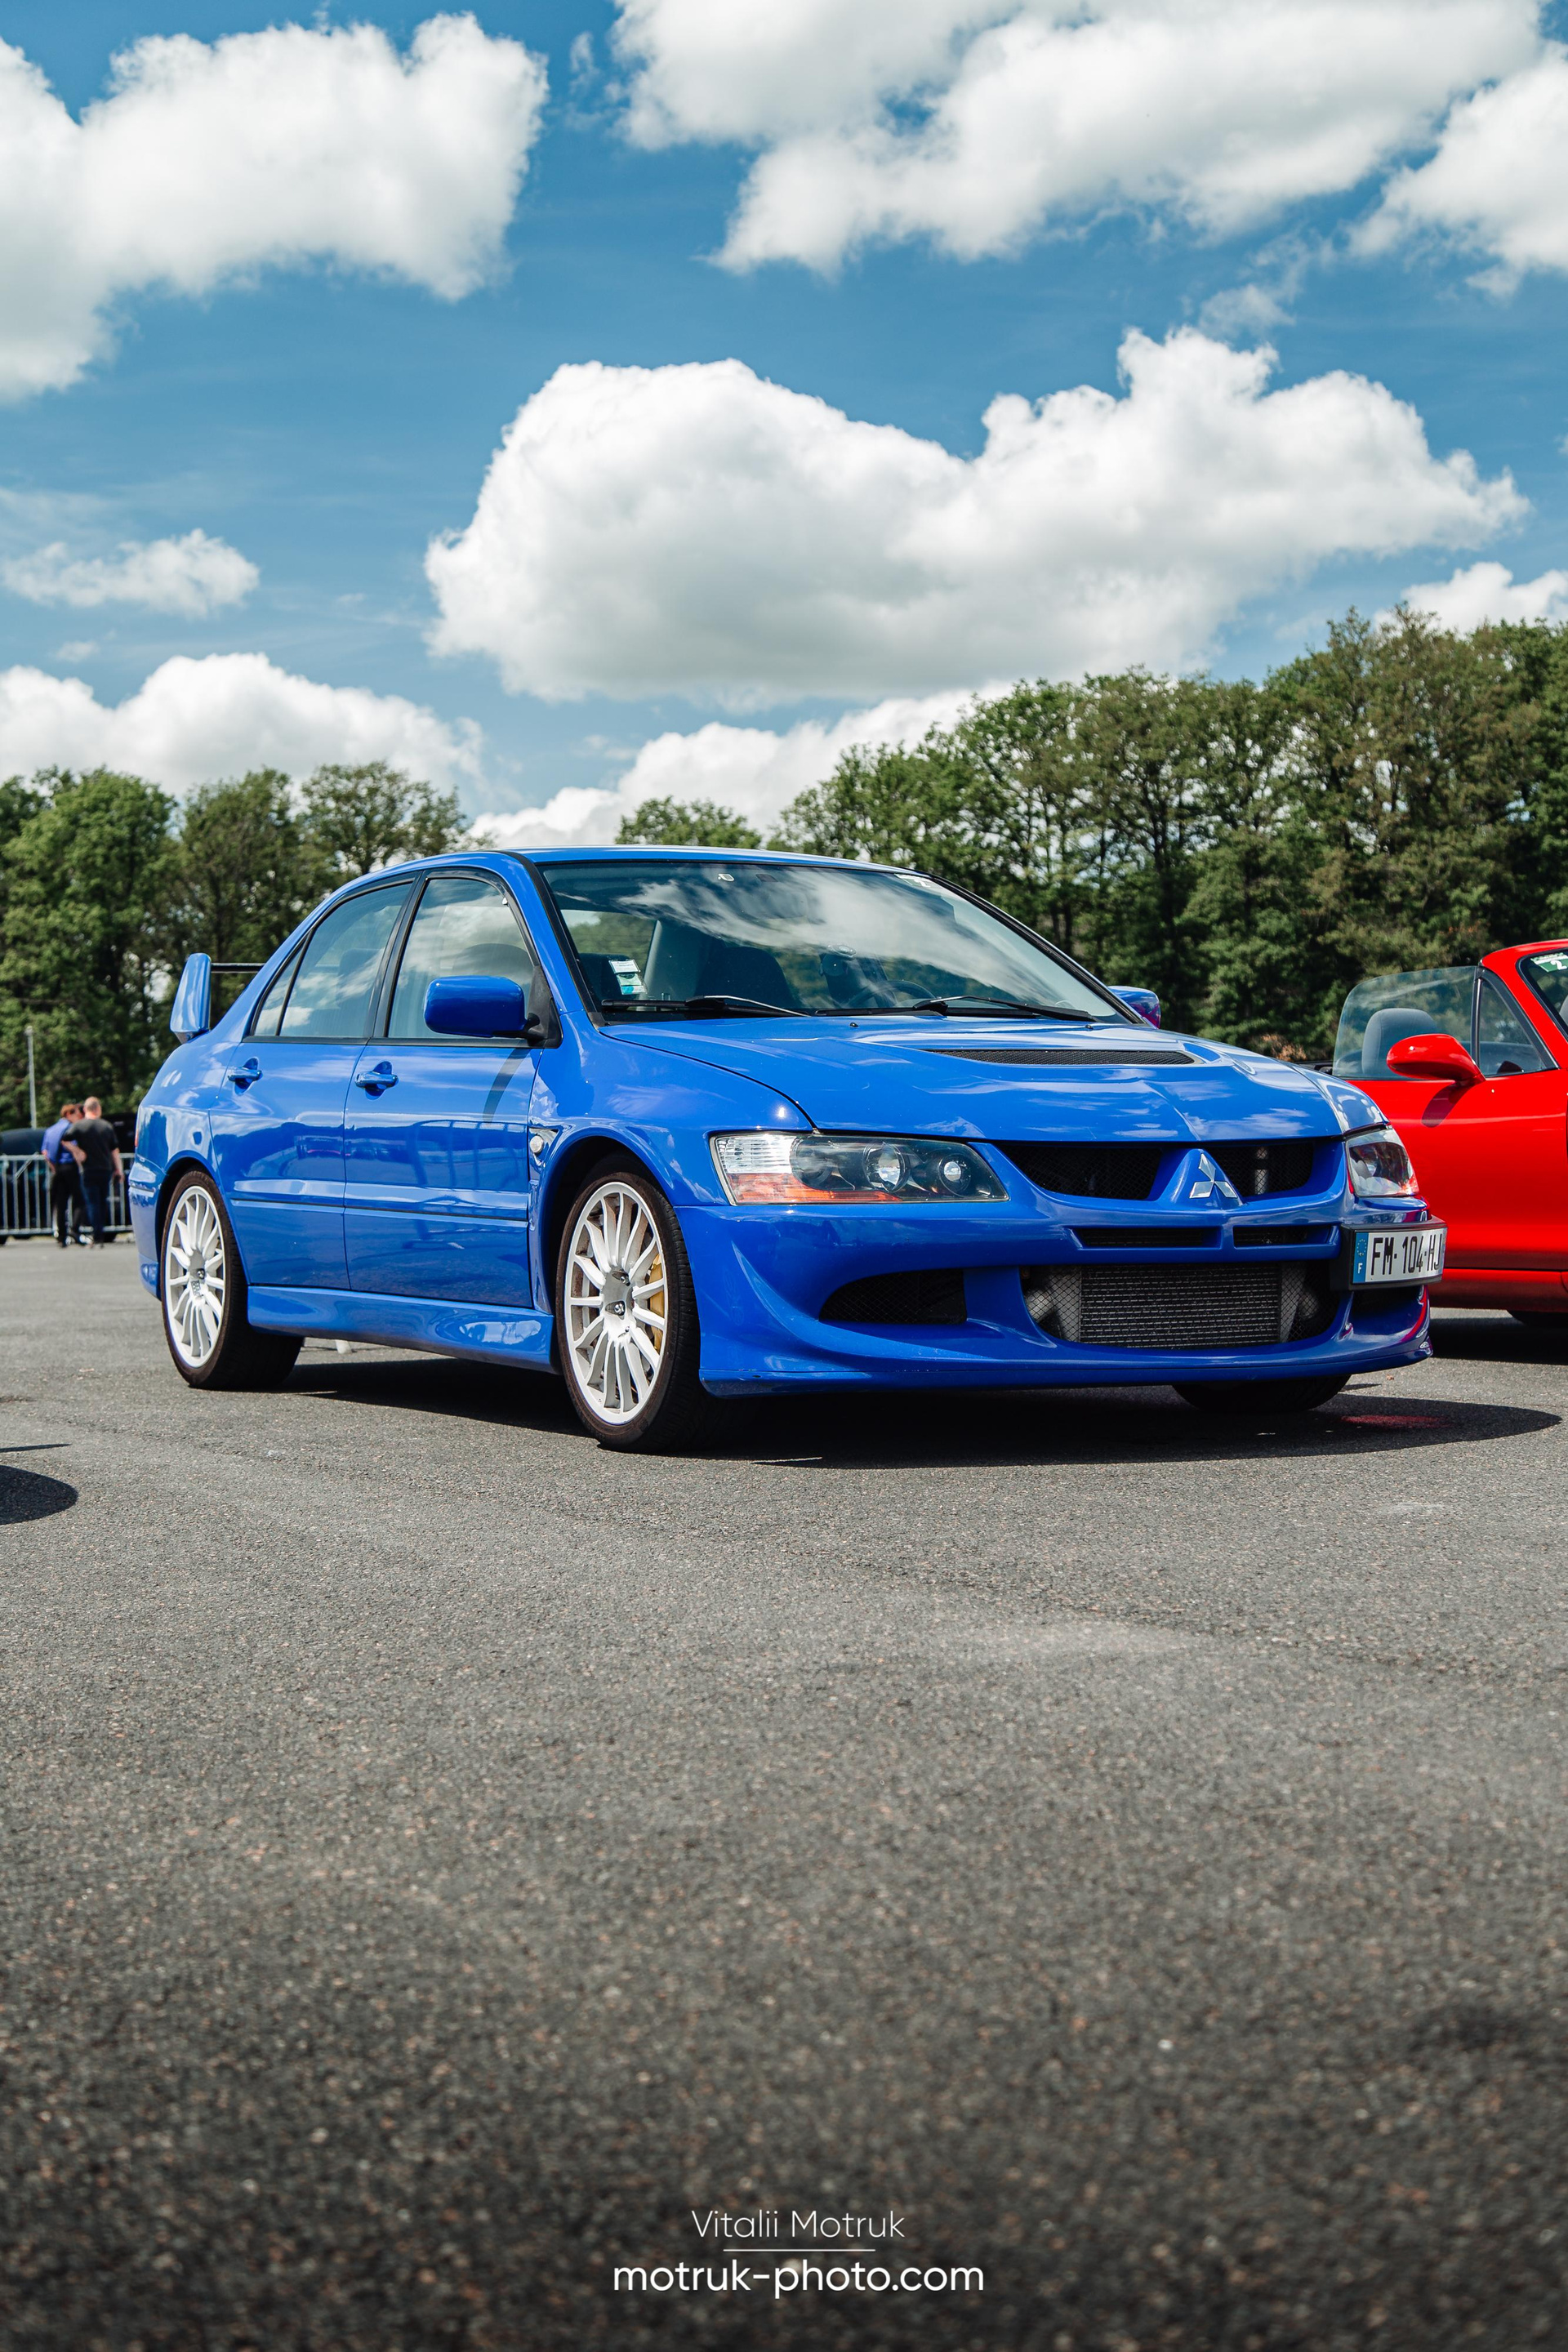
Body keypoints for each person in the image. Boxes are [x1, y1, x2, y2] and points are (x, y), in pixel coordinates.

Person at [67, 1096, 122, 1248]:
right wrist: (119, 1169)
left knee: (92, 1203)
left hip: (88, 1169)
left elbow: (65, 1139)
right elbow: (114, 1150)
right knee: (102, 1202)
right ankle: (100, 1234)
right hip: (105, 1169)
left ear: (85, 1109)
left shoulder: (79, 1126)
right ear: (98, 1109)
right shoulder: (107, 1126)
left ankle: (96, 1235)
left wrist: (77, 1151)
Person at [40, 1100, 85, 1248]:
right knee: (79, 1200)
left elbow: (45, 1152)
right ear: (68, 1114)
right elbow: (75, 1147)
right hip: (70, 1166)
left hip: (58, 1168)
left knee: (61, 1203)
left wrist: (53, 1167)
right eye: (76, 1114)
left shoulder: (50, 1130)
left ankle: (61, 1237)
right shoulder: (70, 1128)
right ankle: (75, 1229)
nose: (78, 1118)